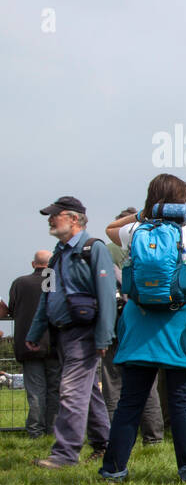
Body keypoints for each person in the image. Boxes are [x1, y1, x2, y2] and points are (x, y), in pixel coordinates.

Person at [99, 174, 186, 482]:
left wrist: (141, 214)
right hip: (181, 326)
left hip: (138, 324)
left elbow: (108, 229)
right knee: (183, 400)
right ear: (182, 201)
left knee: (130, 400)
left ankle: (114, 469)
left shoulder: (135, 230)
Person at [26, 196, 116, 468]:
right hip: (62, 335)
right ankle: (104, 445)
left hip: (84, 333)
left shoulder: (94, 249)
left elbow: (107, 296)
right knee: (86, 392)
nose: (51, 220)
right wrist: (34, 332)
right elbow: (46, 298)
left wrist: (103, 336)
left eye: (57, 215)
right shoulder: (57, 256)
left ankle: (64, 455)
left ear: (75, 219)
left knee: (71, 392)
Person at [101, 207, 164, 445]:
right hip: (146, 318)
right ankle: (154, 437)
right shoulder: (154, 243)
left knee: (113, 382)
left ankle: (113, 436)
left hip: (116, 320)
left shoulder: (107, 249)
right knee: (148, 383)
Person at [1, 251, 61, 437]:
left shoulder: (20, 283)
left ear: (33, 263)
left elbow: (12, 308)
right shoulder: (56, 281)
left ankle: (35, 431)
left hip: (28, 344)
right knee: (54, 390)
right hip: (54, 344)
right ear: (51, 263)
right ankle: (53, 430)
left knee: (35, 390)